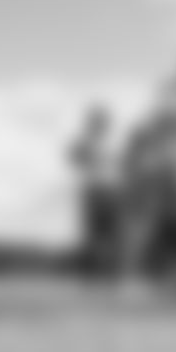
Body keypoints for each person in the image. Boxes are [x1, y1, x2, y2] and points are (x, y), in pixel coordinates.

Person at [69, 105, 123, 277]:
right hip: (94, 190)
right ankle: (92, 271)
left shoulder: (113, 143)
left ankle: (108, 270)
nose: (101, 125)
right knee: (94, 232)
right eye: (97, 121)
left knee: (111, 232)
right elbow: (75, 157)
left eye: (103, 122)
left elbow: (120, 165)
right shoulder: (86, 141)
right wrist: (87, 152)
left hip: (111, 190)